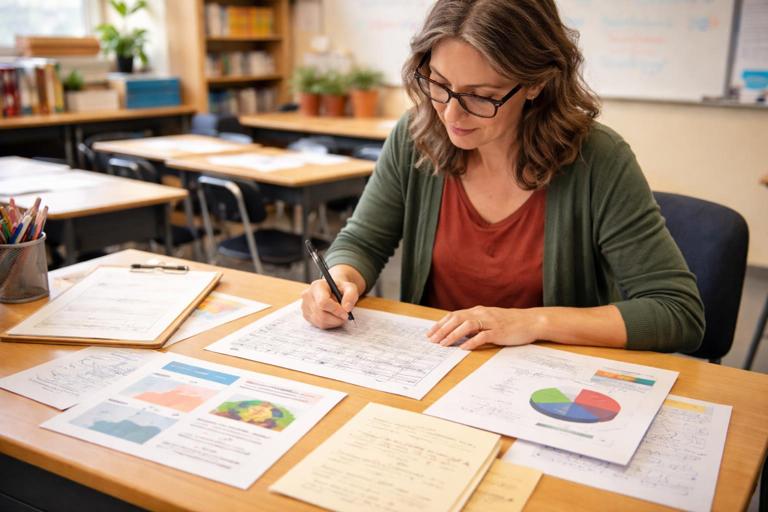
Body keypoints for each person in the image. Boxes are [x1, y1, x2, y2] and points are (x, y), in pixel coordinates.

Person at [301, 0, 704, 353]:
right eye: (439, 84)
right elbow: (364, 241)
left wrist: (532, 322)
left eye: (481, 96)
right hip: (432, 369)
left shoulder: (598, 159)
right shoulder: (416, 135)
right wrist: (340, 279)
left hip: (548, 382)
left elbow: (677, 311)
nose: (451, 115)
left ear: (536, 83)